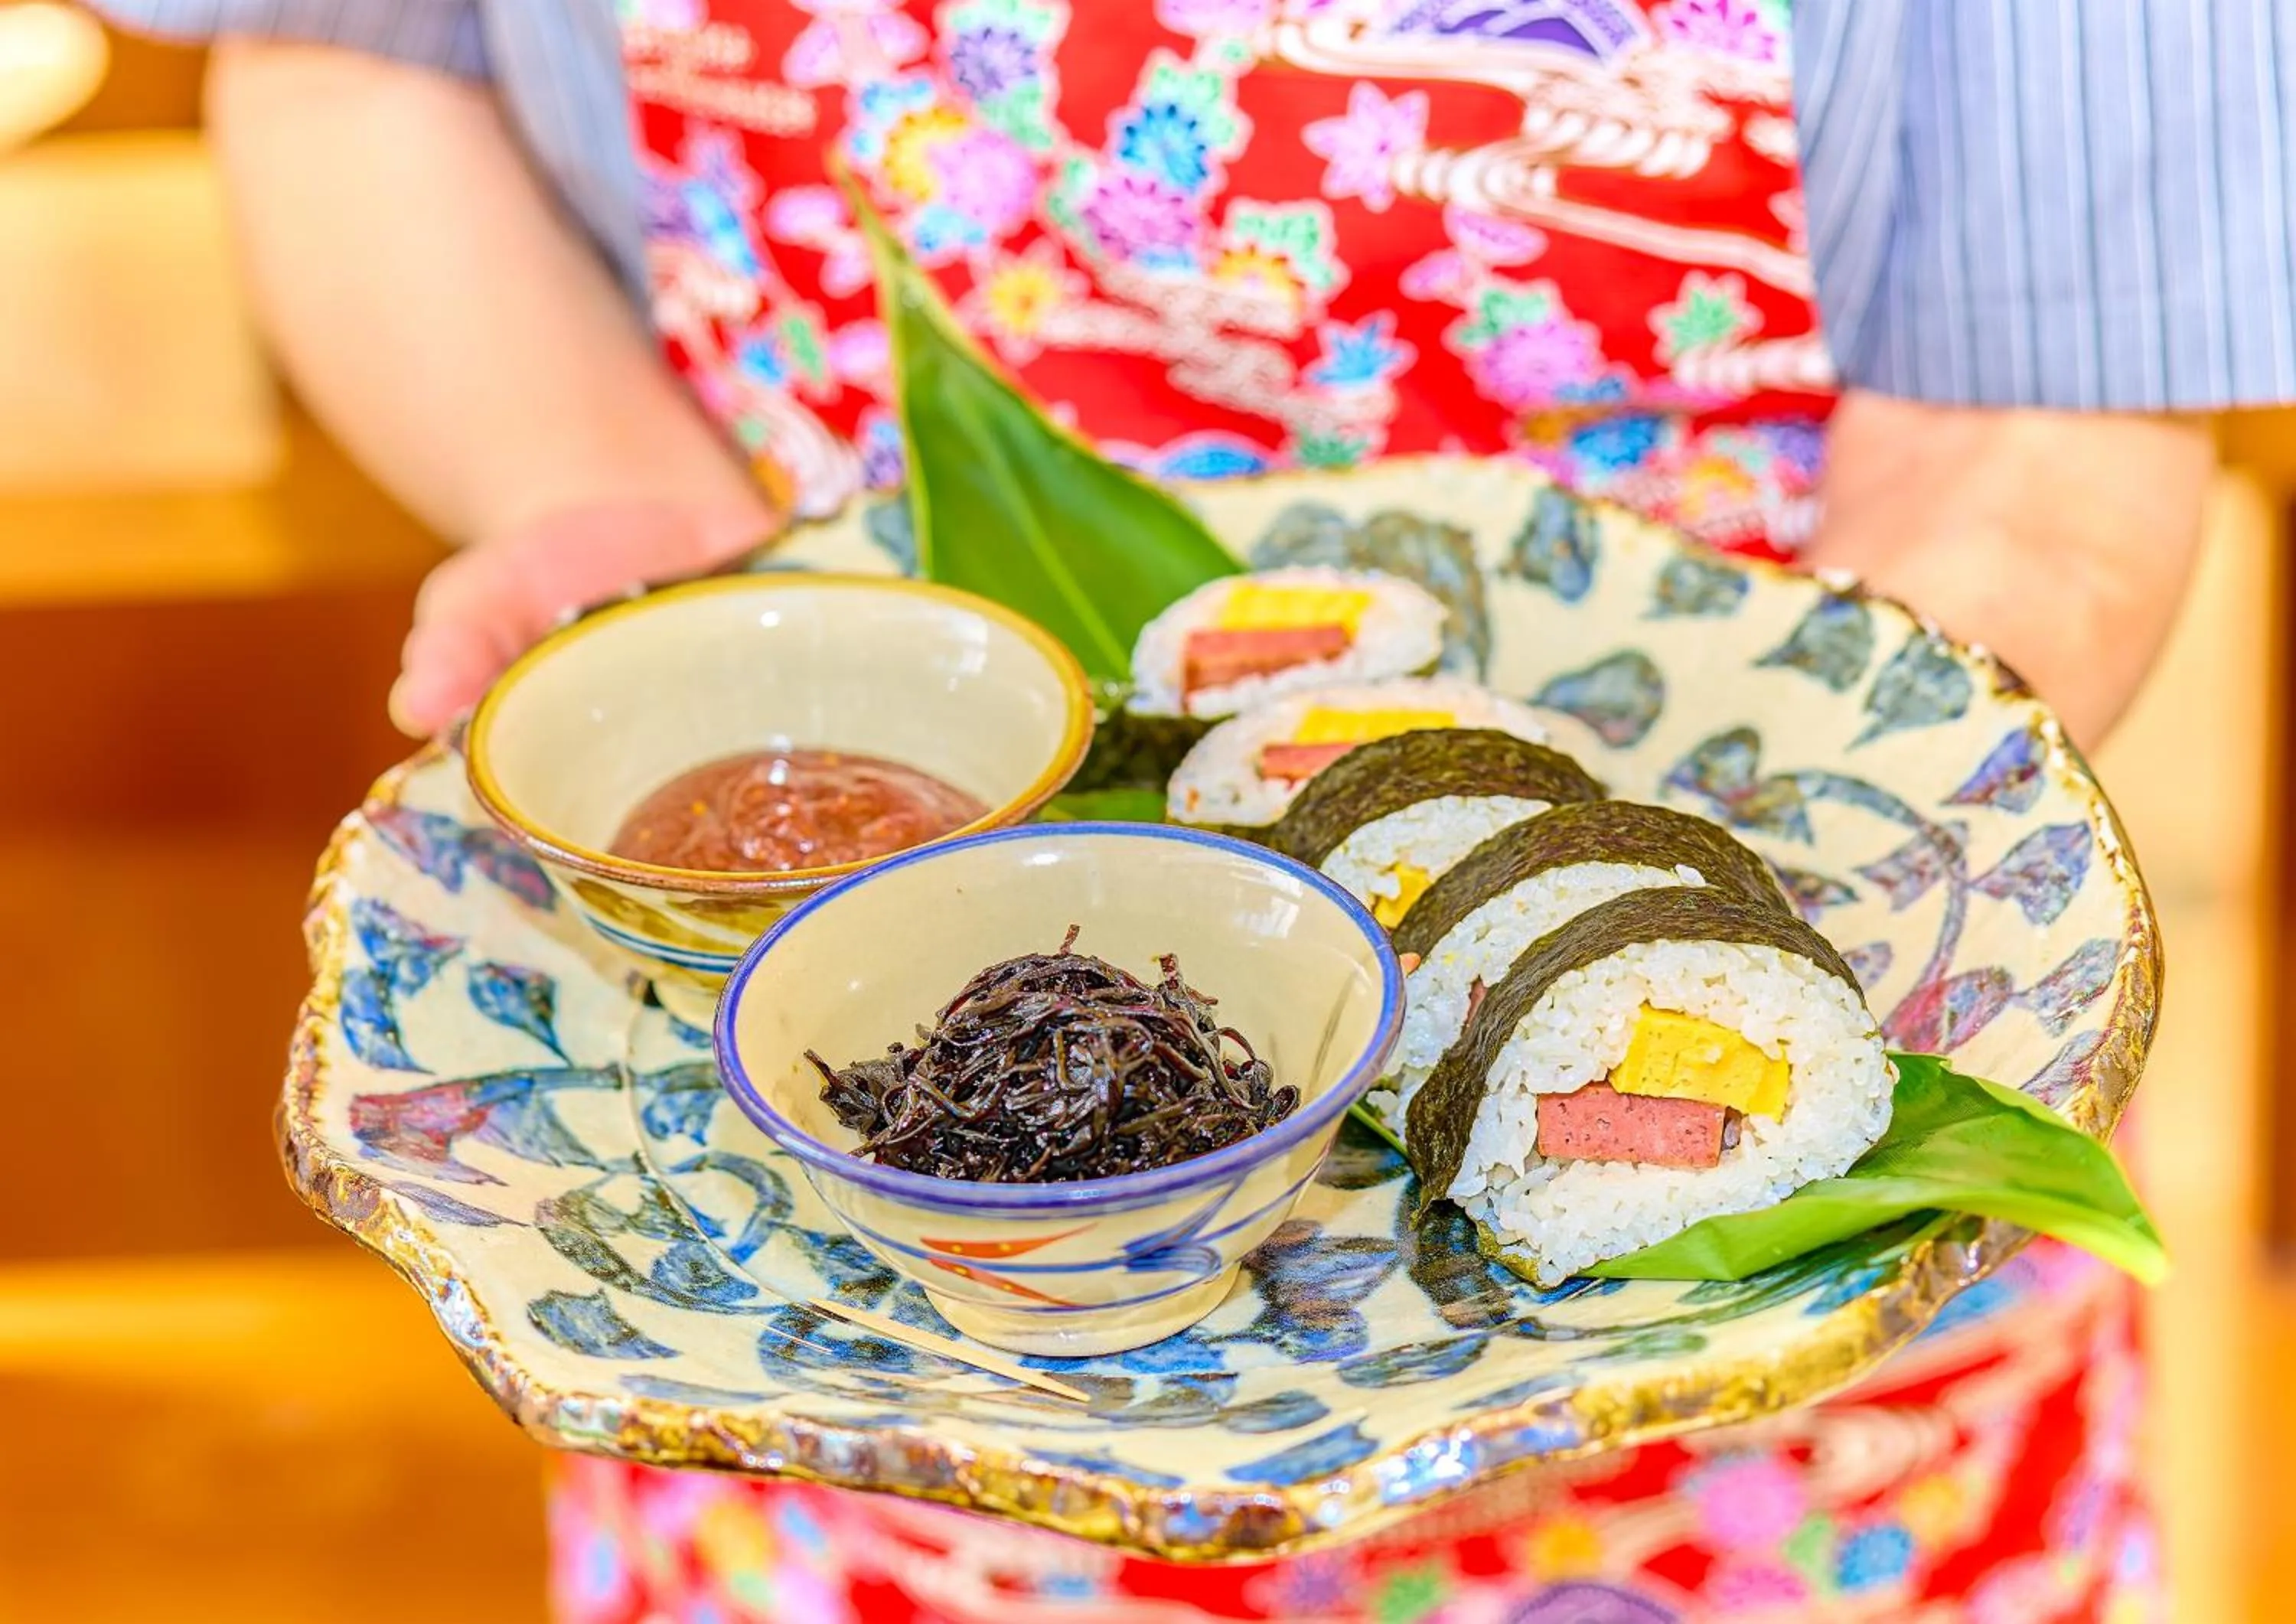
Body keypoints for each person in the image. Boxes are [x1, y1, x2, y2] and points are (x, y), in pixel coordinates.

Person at [95, 2, 2282, 1618]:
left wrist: (1709, 844)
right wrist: (636, 536)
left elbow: (2049, 405)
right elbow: (344, 60)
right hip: (861, 1262)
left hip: (1749, 1340)